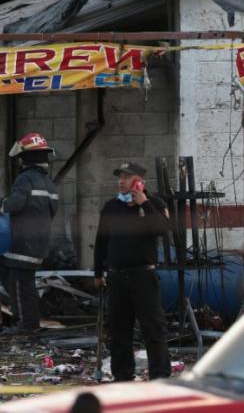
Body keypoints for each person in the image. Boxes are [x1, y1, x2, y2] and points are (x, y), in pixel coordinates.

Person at [93, 162, 171, 382]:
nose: (121, 181)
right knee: (118, 331)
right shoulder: (111, 207)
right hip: (117, 276)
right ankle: (123, 376)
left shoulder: (155, 203)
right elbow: (101, 241)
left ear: (139, 181)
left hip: (143, 276)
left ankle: (160, 376)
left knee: (153, 329)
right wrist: (98, 272)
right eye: (120, 177)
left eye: (127, 177)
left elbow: (163, 230)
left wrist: (144, 204)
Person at [0, 132, 58, 332]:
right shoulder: (49, 183)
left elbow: (15, 204)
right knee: (15, 277)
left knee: (21, 287)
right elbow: (52, 211)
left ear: (26, 158)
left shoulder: (25, 179)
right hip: (39, 241)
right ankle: (29, 324)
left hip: (23, 243)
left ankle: (27, 327)